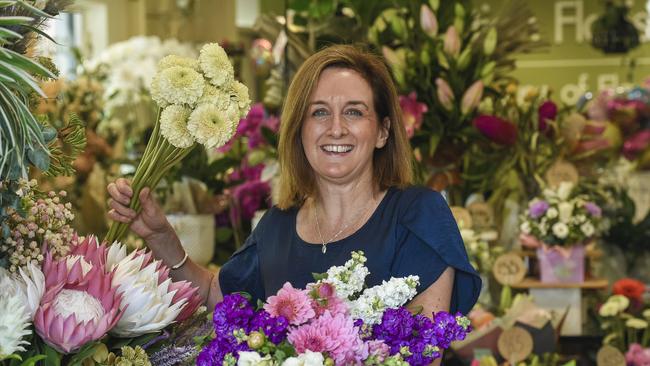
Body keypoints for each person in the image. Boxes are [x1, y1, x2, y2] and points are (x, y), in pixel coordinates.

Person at [107, 45, 481, 321]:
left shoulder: (417, 216)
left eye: (354, 111)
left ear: (383, 131)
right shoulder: (278, 225)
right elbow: (213, 296)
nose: (336, 128)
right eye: (319, 112)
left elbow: (421, 351)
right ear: (299, 130)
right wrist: (160, 237)